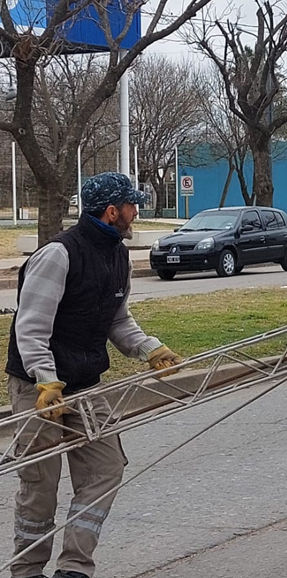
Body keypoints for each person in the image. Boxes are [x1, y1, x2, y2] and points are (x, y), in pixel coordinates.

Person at [5, 172, 183, 578]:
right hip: (38, 388)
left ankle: (74, 567)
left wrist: (150, 349)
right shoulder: (59, 255)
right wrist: (45, 379)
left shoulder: (118, 255)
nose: (137, 212)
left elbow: (117, 320)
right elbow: (30, 328)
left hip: (85, 386)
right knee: (40, 484)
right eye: (132, 205)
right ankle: (27, 571)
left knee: (106, 467)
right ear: (112, 211)